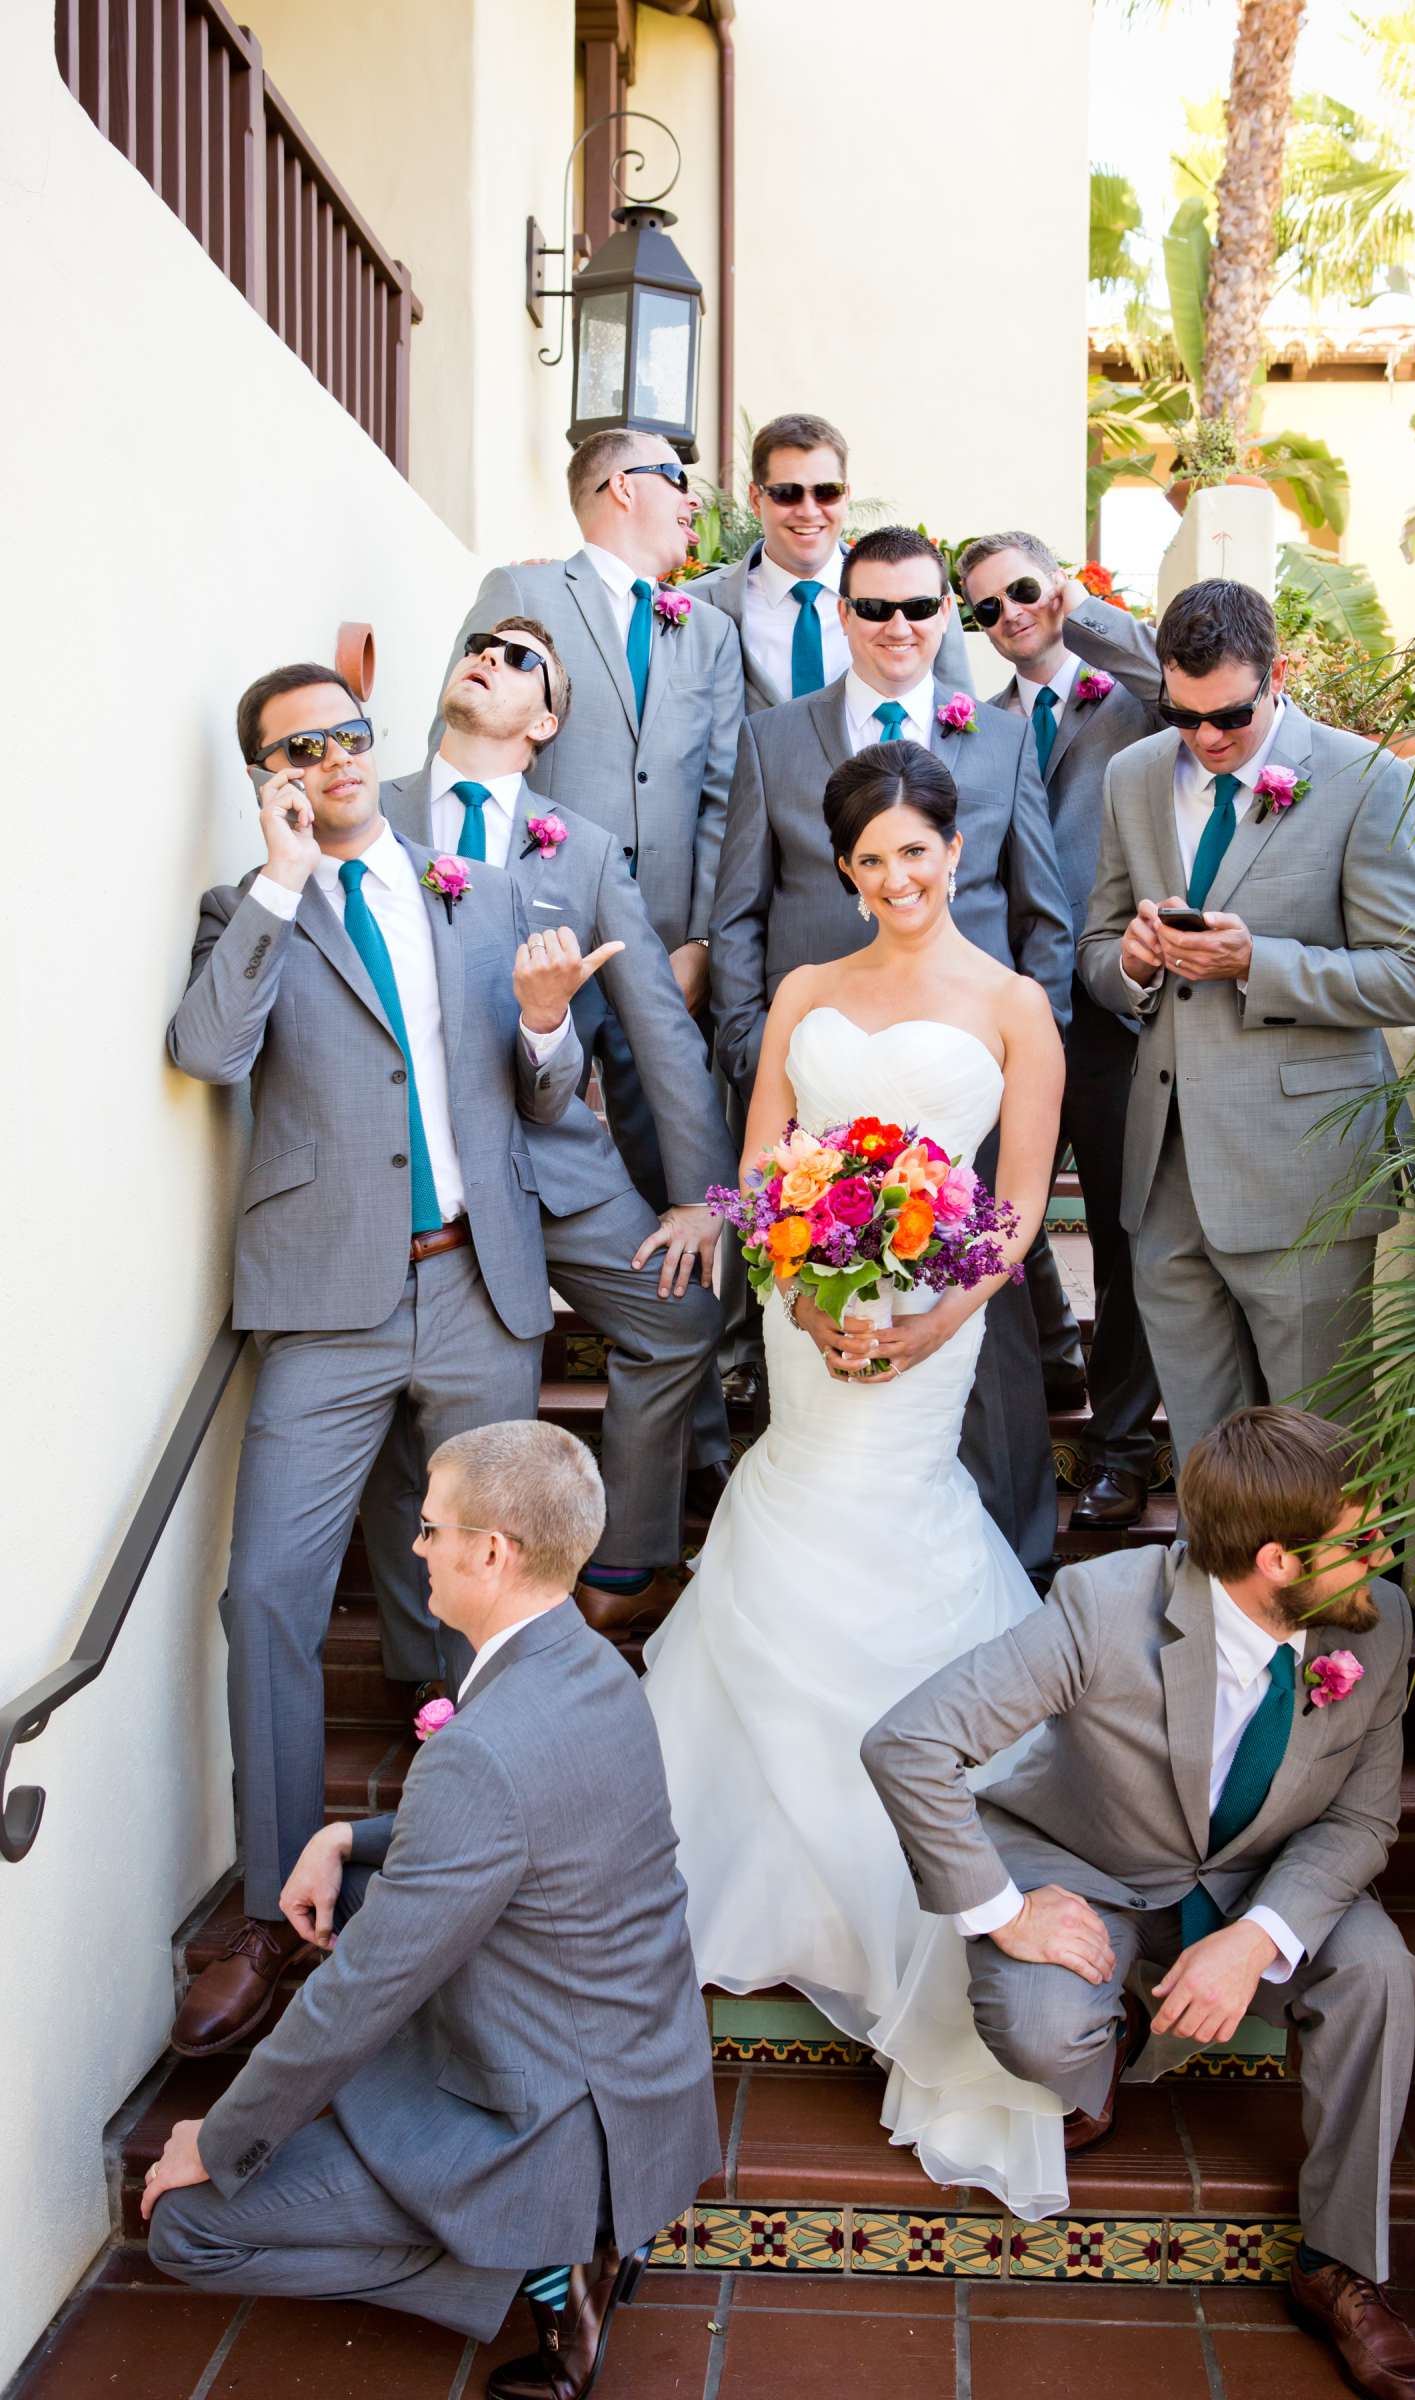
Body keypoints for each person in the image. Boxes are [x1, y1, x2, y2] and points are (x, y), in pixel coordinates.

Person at [645, 741, 1070, 2209]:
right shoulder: (808, 1000)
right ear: (843, 870)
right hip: (810, 1305)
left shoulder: (1015, 1008)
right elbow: (766, 1164)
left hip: (936, 1317)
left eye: (919, 853)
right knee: (790, 1497)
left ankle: (914, 1862)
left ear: (958, 852)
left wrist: (943, 1306)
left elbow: (1017, 1203)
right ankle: (753, 1868)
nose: (898, 879)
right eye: (871, 860)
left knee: (894, 1516)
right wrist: (808, 1292)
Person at [165, 663, 595, 2054]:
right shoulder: (250, 912)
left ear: (376, 739)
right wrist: (284, 878)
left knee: (504, 1589)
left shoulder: (471, 884)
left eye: (348, 733)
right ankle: (271, 1903)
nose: (335, 758)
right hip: (325, 1303)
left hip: (478, 1281)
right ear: (270, 776)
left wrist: (544, 1026)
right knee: (272, 1597)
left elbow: (546, 1091)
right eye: (299, 748)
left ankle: (491, 1861)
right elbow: (210, 1050)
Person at [863, 1405, 1415, 2400]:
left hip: (1268, 1874)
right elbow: (908, 1744)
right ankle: (1115, 2045)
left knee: (1380, 1967)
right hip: (1094, 1864)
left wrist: (1255, 1940)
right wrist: (1004, 1910)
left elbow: (1359, 1827)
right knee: (1040, 2029)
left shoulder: (1377, 1625)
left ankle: (1339, 2264)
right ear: (1277, 1561)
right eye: (1362, 1537)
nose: (1384, 1552)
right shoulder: (1101, 1607)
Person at [145, 1420, 720, 2400]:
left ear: (490, 1551)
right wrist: (343, 1838)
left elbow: (356, 1995)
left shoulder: (481, 1749)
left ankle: (523, 2261)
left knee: (186, 2231)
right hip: (636, 2074)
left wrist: (222, 2134)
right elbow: (524, 1825)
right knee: (382, 1898)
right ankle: (557, 2240)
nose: (414, 1548)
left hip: (546, 2120)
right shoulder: (593, 1667)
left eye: (427, 1527)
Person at [710, 525, 1075, 1577]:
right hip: (817, 1089)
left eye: (921, 607)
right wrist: (762, 1046)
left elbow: (1043, 910)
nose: (900, 627)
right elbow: (736, 903)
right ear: (843, 613)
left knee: (995, 1370)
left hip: (968, 1093)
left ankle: (1012, 1567)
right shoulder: (774, 738)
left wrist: (1016, 1053)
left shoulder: (999, 738)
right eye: (875, 608)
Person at [372, 616, 736, 1638]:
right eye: (479, 642)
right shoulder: (375, 813)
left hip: (550, 1163)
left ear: (545, 720)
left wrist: (697, 1200)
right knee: (418, 1404)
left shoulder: (579, 847)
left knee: (679, 1317)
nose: (487, 655)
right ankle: (427, 1653)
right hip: (416, 1169)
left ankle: (620, 1569)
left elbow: (659, 1032)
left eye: (520, 658)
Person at [1077, 578, 1415, 1466]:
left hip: (1303, 1179)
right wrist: (1128, 962)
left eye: (1231, 717)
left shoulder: (1365, 779)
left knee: (1320, 1454)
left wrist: (1259, 963)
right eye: (1183, 713)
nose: (1206, 737)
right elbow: (1096, 944)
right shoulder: (1132, 775)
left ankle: (1330, 1608)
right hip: (1164, 1177)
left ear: (1278, 676)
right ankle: (1217, 1604)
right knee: (1209, 1456)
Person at [435, 427, 744, 1226]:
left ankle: (676, 1327)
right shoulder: (525, 594)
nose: (692, 501)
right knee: (518, 1142)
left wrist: (702, 940)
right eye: (678, 479)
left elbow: (721, 792)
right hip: (535, 939)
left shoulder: (707, 631)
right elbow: (466, 752)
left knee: (672, 1152)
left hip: (665, 946)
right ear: (622, 488)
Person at [959, 533, 1165, 1527]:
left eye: (1022, 593)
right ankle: (1049, 1359)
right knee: (1004, 1207)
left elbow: (1168, 668)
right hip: (1014, 1006)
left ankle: (1120, 1446)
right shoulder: (984, 723)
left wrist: (1069, 607)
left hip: (1120, 1008)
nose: (1009, 617)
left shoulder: (1131, 691)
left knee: (1130, 1233)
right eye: (985, 608)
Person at [692, 409, 968, 709]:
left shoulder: (924, 598)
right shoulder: (700, 604)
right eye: (787, 493)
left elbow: (958, 717)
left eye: (826, 492)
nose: (809, 511)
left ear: (846, 496)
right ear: (757, 500)